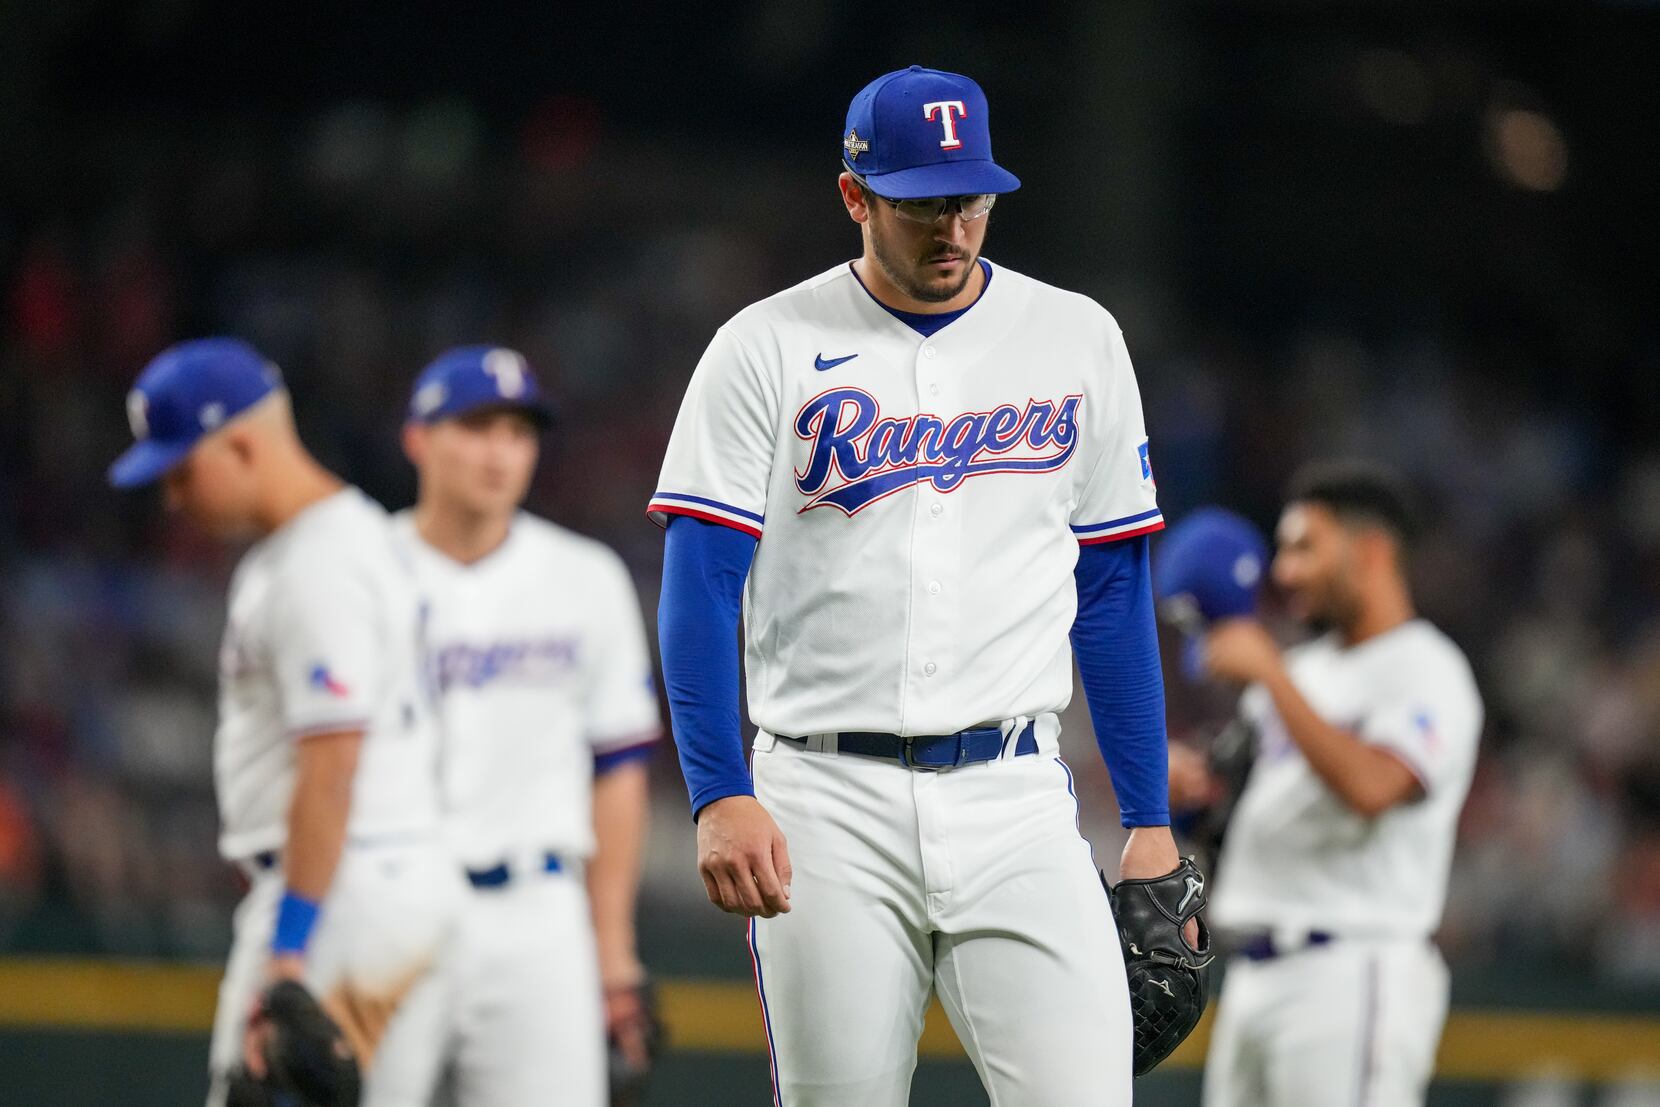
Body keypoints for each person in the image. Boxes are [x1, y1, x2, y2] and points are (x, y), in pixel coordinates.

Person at [650, 65, 1187, 1106]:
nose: (952, 228)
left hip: (1017, 792)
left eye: (969, 199)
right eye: (921, 203)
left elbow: (1114, 591)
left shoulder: (1075, 337)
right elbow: (700, 587)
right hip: (824, 793)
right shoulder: (762, 347)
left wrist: (1149, 817)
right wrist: (720, 793)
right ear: (855, 197)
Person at [107, 338, 459, 1106]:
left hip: (335, 898)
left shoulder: (316, 564)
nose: (172, 495)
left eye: (180, 468)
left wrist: (290, 954)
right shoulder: (348, 534)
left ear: (239, 443)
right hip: (376, 879)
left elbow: (331, 765)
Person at [395, 346, 661, 1105]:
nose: (499, 452)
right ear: (417, 438)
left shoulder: (586, 578)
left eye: (518, 432)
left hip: (537, 913)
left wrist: (615, 955)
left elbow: (619, 773)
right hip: (391, 903)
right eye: (477, 427)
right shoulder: (364, 571)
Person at [1193, 462, 1483, 1107]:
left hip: (1351, 971)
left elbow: (1376, 787)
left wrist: (1271, 677)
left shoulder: (1428, 668)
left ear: (1372, 551)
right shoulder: (1302, 670)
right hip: (1254, 973)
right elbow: (1235, 818)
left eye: (1305, 547)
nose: (1284, 571)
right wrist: (1192, 794)